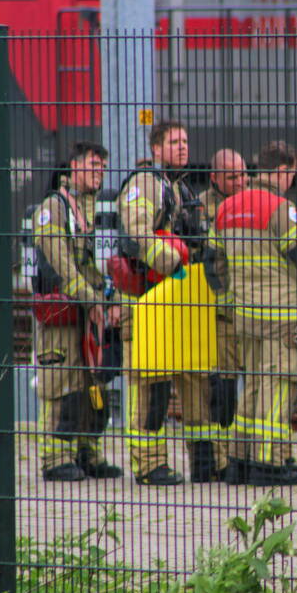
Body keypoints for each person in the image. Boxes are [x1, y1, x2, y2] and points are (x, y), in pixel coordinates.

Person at [210, 140, 297, 486]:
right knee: (278, 387)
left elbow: (213, 265)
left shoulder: (227, 207)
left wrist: (229, 300)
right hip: (281, 317)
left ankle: (239, 461)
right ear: (282, 171)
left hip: (245, 315)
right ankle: (270, 463)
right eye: (293, 173)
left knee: (254, 385)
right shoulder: (279, 208)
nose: (293, 180)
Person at [116, 120, 221, 485]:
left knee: (196, 380)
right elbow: (137, 232)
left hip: (180, 303)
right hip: (148, 302)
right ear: (156, 148)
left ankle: (205, 463)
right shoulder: (145, 183)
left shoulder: (180, 188)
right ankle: (148, 465)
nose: (182, 147)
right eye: (174, 141)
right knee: (151, 385)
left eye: (185, 141)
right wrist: (173, 260)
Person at [31, 141, 123, 482]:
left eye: (102, 166)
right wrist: (92, 299)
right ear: (73, 166)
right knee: (62, 385)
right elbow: (62, 264)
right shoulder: (54, 208)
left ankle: (87, 452)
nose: (98, 171)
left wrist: (109, 301)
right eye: (93, 164)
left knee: (92, 384)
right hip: (63, 312)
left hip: (87, 311)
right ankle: (56, 458)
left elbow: (93, 266)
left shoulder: (90, 209)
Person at [198, 149, 248, 427]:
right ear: (214, 177)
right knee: (224, 378)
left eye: (243, 174)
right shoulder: (201, 208)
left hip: (254, 304)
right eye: (232, 177)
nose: (241, 181)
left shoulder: (253, 202)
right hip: (221, 309)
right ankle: (223, 445)